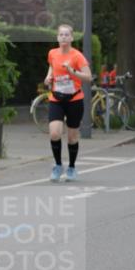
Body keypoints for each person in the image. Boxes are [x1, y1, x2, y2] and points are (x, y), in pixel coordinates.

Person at [44, 24, 91, 182]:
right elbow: (51, 67)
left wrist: (72, 72)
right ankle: (58, 165)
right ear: (57, 37)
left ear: (71, 38)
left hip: (74, 100)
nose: (63, 37)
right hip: (56, 98)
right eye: (61, 35)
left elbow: (88, 77)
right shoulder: (52, 53)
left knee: (72, 137)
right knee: (55, 133)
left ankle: (71, 167)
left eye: (66, 35)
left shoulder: (77, 56)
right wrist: (48, 78)